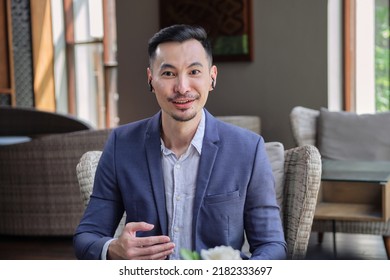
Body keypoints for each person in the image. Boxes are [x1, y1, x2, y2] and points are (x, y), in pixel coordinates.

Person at [73, 24, 287, 260]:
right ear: (151, 79)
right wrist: (113, 249)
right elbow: (86, 236)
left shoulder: (248, 149)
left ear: (212, 77)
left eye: (194, 72)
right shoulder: (121, 145)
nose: (182, 87)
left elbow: (272, 245)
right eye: (168, 73)